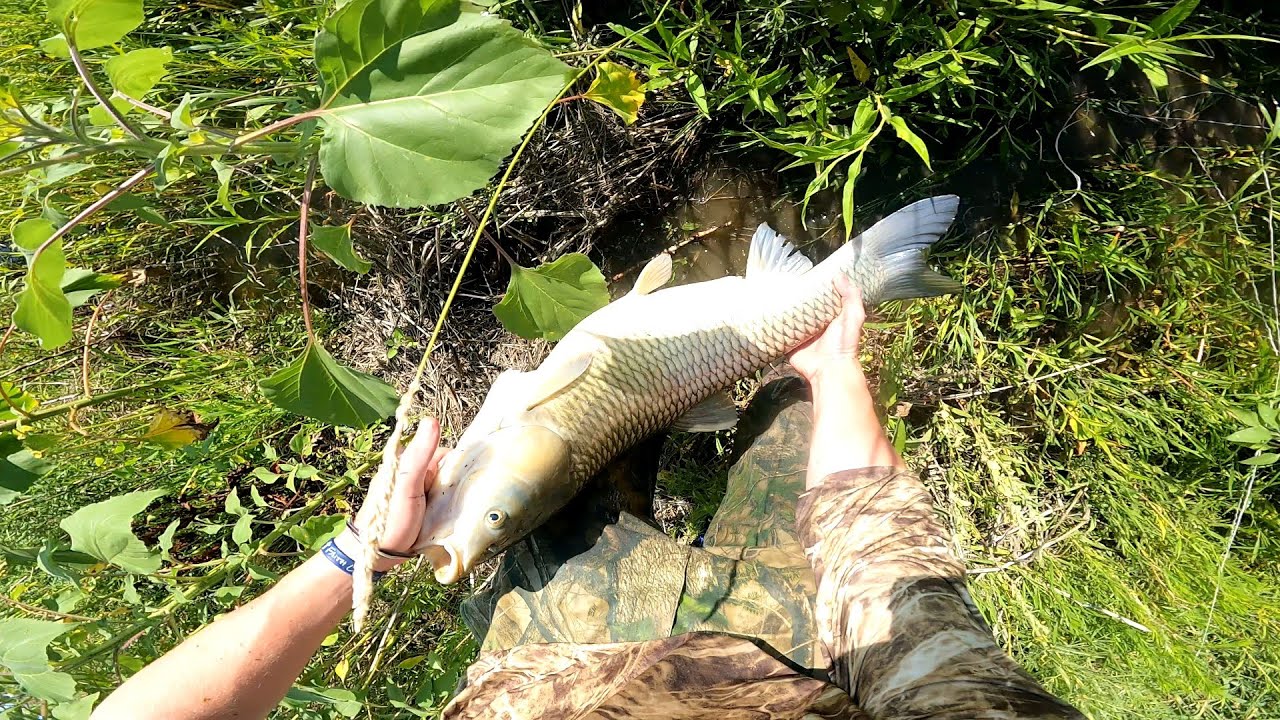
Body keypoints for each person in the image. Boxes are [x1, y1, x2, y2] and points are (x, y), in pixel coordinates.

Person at [94, 286, 1084, 720]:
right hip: (812, 645)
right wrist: (837, 379)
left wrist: (362, 554)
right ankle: (790, 331)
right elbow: (902, 611)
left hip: (538, 660)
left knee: (765, 378)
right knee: (795, 383)